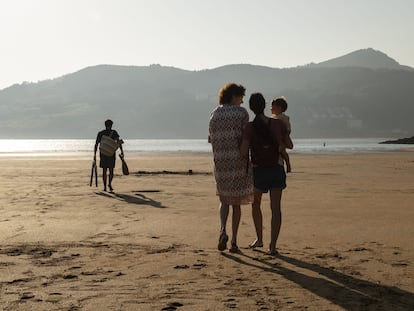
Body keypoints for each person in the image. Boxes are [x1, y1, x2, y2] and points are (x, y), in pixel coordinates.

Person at [240, 93, 293, 255]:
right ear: (265, 106)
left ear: (251, 107)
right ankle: (273, 246)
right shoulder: (278, 124)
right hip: (277, 168)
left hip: (259, 171)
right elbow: (289, 145)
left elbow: (243, 151)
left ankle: (259, 239)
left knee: (256, 205)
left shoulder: (249, 127)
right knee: (275, 208)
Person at [209, 83, 254, 253]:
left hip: (220, 163)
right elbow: (246, 138)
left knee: (224, 199)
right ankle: (234, 242)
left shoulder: (215, 113)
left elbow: (211, 139)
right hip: (238, 162)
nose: (242, 101)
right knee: (236, 203)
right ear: (234, 96)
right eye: (241, 97)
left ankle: (222, 230)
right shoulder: (241, 113)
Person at [94, 119, 124, 192]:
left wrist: (94, 154)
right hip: (111, 153)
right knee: (111, 170)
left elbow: (96, 144)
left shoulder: (100, 133)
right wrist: (122, 151)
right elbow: (118, 142)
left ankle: (104, 187)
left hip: (103, 153)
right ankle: (109, 184)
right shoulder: (114, 132)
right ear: (111, 125)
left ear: (105, 125)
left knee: (104, 170)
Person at [271, 97, 292, 173]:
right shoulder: (275, 117)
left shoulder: (282, 118)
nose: (271, 109)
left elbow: (287, 130)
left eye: (273, 107)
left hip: (281, 138)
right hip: (277, 139)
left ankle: (288, 164)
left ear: (279, 108)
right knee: (281, 152)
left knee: (282, 151)